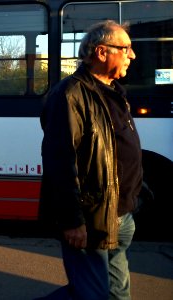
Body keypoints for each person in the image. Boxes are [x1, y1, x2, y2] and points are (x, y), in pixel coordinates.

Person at [38, 20, 142, 300]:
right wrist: (73, 221)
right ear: (101, 52)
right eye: (125, 49)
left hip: (120, 215)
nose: (132, 55)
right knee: (91, 296)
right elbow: (60, 162)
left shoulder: (115, 92)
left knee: (118, 294)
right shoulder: (69, 95)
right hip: (92, 219)